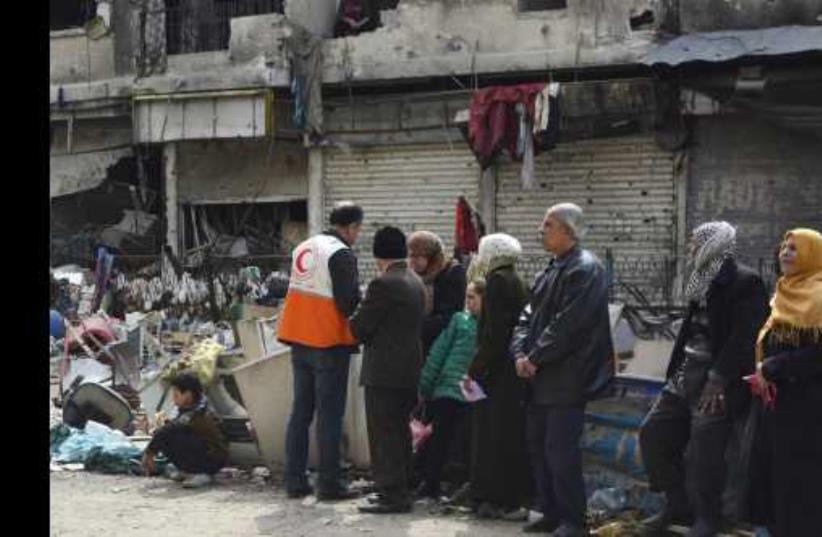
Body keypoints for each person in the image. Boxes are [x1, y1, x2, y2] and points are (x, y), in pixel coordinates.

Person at [638, 221, 769, 537]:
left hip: (717, 382)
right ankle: (676, 505)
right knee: (653, 434)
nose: (690, 248)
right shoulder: (700, 278)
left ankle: (709, 519)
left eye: (695, 242)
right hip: (686, 374)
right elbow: (692, 331)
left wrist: (718, 378)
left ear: (714, 245)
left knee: (705, 455)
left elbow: (745, 337)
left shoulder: (746, 282)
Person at [511, 203, 614, 536]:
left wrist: (535, 357)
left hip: (567, 377)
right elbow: (526, 317)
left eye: (548, 224)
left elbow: (569, 324)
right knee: (538, 447)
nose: (541, 229)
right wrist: (519, 354)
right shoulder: (551, 268)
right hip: (538, 376)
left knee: (560, 450)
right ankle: (551, 512)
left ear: (569, 231)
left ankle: (573, 520)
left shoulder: (586, 269)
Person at [278, 202, 364, 500]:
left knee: (300, 413)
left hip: (298, 339)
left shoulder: (304, 246)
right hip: (328, 342)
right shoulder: (340, 253)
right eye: (357, 229)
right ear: (352, 227)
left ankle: (294, 481)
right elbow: (347, 302)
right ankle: (330, 484)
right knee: (329, 416)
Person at [749, 228, 822, 537]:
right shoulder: (782, 291)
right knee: (775, 476)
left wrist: (774, 366)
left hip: (808, 407)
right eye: (783, 247)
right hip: (778, 403)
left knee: (800, 482)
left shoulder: (819, 295)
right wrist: (761, 369)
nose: (785, 253)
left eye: (794, 248)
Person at [350, 226, 427, 514]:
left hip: (384, 371)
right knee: (399, 432)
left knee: (384, 433)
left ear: (378, 255)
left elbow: (359, 327)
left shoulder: (383, 284)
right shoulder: (414, 280)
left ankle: (392, 494)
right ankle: (401, 488)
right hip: (408, 368)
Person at [465, 233, 532, 520]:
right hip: (510, 372)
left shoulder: (497, 281)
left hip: (497, 373)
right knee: (506, 436)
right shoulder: (517, 279)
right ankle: (506, 498)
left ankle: (492, 499)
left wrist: (474, 369)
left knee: (491, 438)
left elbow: (494, 334)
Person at [416, 279, 484, 500]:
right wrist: (426, 386)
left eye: (473, 297)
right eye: (467, 297)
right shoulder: (460, 321)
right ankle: (431, 483)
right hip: (447, 389)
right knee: (440, 438)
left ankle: (454, 484)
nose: (468, 302)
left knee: (460, 442)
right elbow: (439, 352)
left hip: (472, 393)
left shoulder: (491, 328)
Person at [141, 372, 228, 488]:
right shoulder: (187, 409)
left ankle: (202, 473)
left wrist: (149, 453)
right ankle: (187, 470)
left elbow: (171, 428)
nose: (173, 399)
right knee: (167, 436)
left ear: (187, 395)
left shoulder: (200, 411)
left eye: (176, 395)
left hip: (212, 459)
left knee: (174, 434)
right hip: (202, 453)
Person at [407, 231, 467, 357]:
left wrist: (414, 327)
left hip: (442, 348)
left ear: (432, 257)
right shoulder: (413, 276)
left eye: (418, 256)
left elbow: (451, 316)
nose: (412, 261)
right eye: (411, 256)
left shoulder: (453, 273)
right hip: (417, 346)